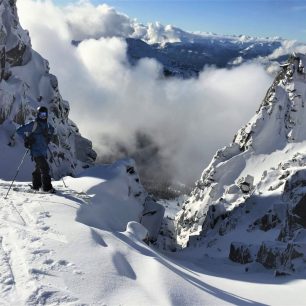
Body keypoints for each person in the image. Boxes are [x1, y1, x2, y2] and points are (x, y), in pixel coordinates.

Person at [16, 106, 55, 193]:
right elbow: (19, 130)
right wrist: (27, 139)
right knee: (45, 168)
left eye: (44, 115)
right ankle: (47, 188)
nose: (43, 116)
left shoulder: (47, 125)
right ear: (38, 114)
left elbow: (53, 130)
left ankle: (36, 186)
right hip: (36, 151)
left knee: (38, 168)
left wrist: (49, 137)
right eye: (41, 115)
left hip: (43, 151)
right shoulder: (34, 124)